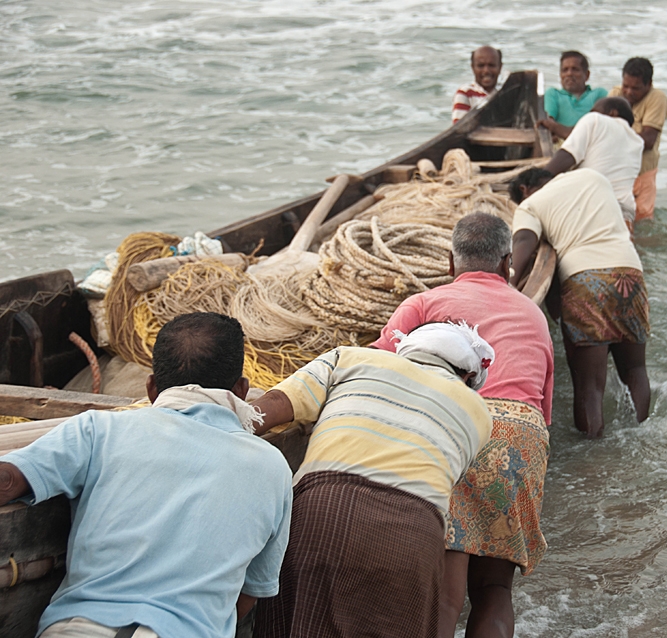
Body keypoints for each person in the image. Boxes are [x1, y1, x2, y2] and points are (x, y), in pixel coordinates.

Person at [0, 312, 293, 638]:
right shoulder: (273, 467)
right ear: (241, 390)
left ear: (151, 388)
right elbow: (250, 593)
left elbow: (9, 479)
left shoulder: (98, 429)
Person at [371, 213, 554, 638]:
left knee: (446, 596)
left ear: (450, 263)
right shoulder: (533, 313)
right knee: (494, 589)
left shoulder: (424, 304)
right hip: (520, 434)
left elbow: (378, 366)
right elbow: (544, 413)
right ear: (508, 262)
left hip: (452, 428)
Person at [251, 322, 494, 638]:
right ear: (467, 377)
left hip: (325, 510)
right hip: (415, 533)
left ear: (405, 350)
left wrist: (215, 424)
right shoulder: (479, 412)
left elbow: (276, 406)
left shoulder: (350, 358)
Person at [510, 167, 650, 439]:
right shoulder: (594, 177)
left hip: (585, 280)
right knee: (635, 369)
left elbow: (524, 239)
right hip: (630, 274)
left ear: (524, 190)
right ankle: (643, 434)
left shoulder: (529, 205)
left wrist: (509, 286)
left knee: (589, 386)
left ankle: (592, 454)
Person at [543, 96, 645, 228]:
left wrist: (534, 180)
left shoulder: (595, 119)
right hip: (624, 213)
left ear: (612, 113)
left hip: (593, 204)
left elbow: (567, 156)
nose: (589, 114)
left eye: (594, 110)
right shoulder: (638, 142)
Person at [609, 57, 667, 222]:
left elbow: (648, 140)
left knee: (642, 218)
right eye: (625, 86)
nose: (628, 92)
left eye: (635, 88)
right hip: (618, 170)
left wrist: (615, 135)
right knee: (615, 217)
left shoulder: (657, 98)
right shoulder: (615, 94)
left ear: (648, 84)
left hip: (643, 172)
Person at [539, 51, 608, 141]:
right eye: (565, 70)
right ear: (560, 75)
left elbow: (599, 126)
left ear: (586, 75)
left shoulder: (599, 94)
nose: (569, 74)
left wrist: (560, 130)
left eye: (575, 69)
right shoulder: (553, 94)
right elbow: (549, 122)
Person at [452, 46, 502, 124]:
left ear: (500, 67)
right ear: (473, 68)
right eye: (481, 66)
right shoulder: (466, 92)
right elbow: (459, 128)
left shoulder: (507, 91)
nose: (486, 71)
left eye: (491, 65)